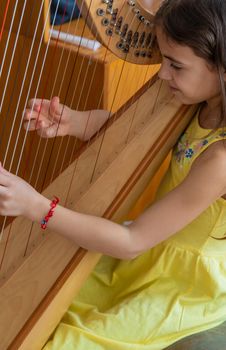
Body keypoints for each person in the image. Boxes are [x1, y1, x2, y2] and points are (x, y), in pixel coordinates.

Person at [1, 0, 226, 348]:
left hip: (180, 283)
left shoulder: (220, 160)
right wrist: (75, 122)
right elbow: (142, 137)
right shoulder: (201, 102)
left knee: (64, 341)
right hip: (149, 250)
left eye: (176, 66)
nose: (163, 74)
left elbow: (132, 242)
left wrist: (38, 207)